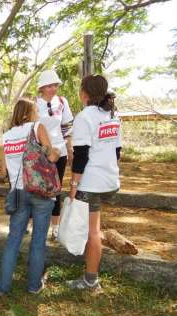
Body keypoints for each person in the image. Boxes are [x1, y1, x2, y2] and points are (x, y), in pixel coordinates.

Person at [0, 98, 60, 295]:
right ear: (27, 113)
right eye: (34, 110)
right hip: (39, 190)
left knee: (13, 240)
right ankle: (34, 286)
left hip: (17, 193)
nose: (36, 114)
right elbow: (51, 156)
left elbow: (1, 171)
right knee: (38, 241)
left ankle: (3, 287)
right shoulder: (36, 127)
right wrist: (57, 151)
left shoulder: (6, 136)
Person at [67, 75, 122, 291]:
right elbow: (117, 151)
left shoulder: (84, 117)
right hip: (109, 180)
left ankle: (91, 280)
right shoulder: (112, 115)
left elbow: (81, 156)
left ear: (85, 93)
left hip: (91, 183)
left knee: (92, 232)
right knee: (94, 228)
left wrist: (73, 186)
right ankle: (90, 275)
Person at [36, 70, 74, 239]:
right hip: (41, 152)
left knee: (56, 189)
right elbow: (32, 129)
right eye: (49, 86)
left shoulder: (62, 102)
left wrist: (70, 149)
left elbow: (67, 127)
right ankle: (35, 224)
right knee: (39, 189)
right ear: (42, 87)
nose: (52, 89)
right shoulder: (34, 104)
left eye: (55, 85)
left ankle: (55, 227)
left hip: (60, 151)